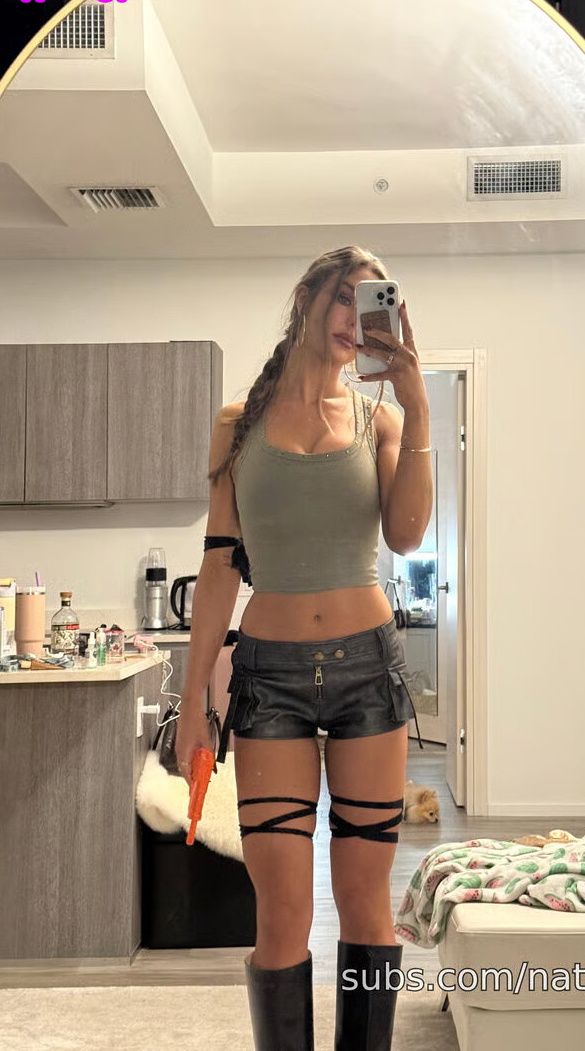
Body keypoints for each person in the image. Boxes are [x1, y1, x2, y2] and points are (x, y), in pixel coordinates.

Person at [175, 245, 433, 1051]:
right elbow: (219, 568)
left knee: (366, 904)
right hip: (270, 683)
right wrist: (194, 702)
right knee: (282, 912)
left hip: (369, 675)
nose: (358, 321)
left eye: (374, 303)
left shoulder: (378, 419)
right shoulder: (237, 425)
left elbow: (407, 534)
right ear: (308, 298)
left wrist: (418, 408)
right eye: (346, 299)